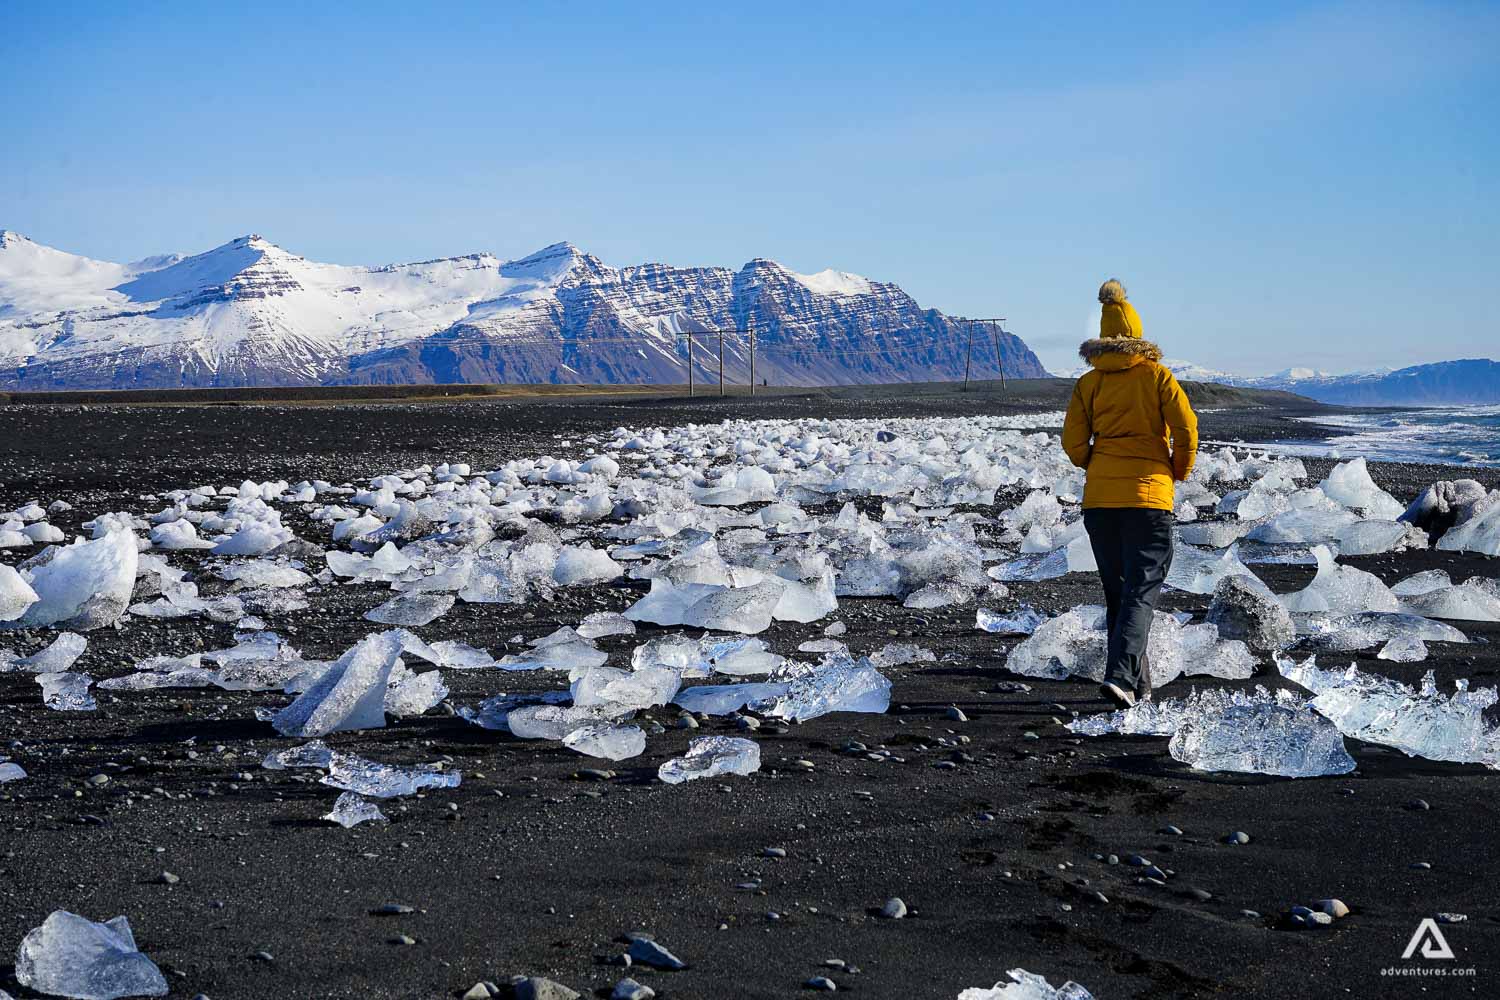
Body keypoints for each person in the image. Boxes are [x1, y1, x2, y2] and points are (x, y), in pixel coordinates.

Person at [1061, 279, 1198, 707]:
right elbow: (1186, 429)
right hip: (1149, 499)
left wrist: (1095, 466)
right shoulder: (1157, 376)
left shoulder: (1088, 384)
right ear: (1138, 335)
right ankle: (1120, 677)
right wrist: (1177, 470)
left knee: (1119, 593)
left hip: (1101, 502)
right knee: (1141, 590)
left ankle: (1138, 687)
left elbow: (1072, 441)